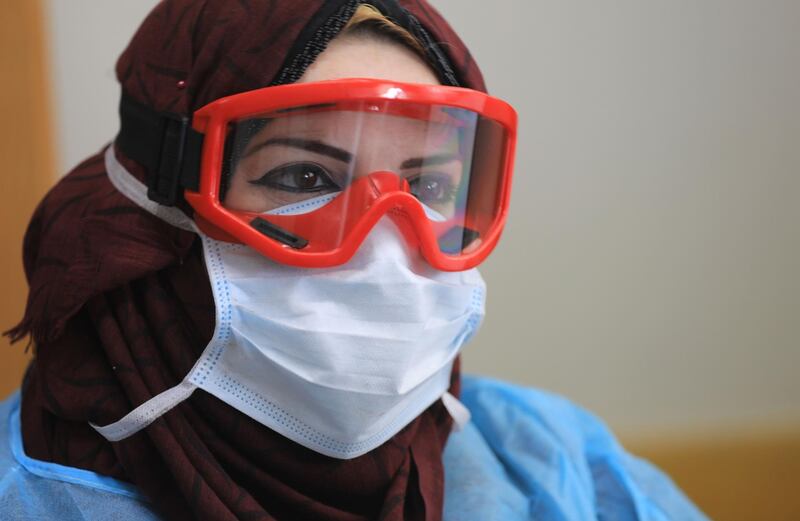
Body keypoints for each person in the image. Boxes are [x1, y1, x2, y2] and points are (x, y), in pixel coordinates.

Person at [0, 1, 708, 520]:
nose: (386, 244)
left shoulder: (552, 462)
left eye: (428, 186)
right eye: (304, 178)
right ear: (154, 212)